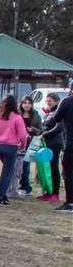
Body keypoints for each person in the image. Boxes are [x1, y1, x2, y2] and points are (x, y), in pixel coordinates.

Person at [0, 94, 27, 207]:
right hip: (11, 146)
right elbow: (23, 135)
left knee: (7, 171)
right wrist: (23, 146)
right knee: (7, 173)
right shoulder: (17, 117)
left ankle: (3, 196)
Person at [15, 95, 43, 197]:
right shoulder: (17, 114)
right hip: (17, 142)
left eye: (29, 103)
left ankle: (25, 187)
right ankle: (16, 185)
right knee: (16, 165)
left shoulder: (35, 115)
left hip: (30, 143)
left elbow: (40, 130)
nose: (27, 105)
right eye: (25, 103)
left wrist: (33, 130)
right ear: (21, 104)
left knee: (25, 165)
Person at [40, 92, 64, 202]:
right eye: (47, 100)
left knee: (53, 168)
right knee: (45, 169)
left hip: (55, 143)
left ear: (57, 101)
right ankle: (47, 191)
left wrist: (45, 134)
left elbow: (59, 128)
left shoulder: (58, 112)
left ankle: (55, 193)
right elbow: (44, 126)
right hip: (46, 143)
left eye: (50, 101)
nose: (48, 102)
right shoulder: (48, 112)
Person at [53, 81, 73, 214]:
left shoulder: (66, 102)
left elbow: (56, 118)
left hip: (71, 143)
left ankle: (70, 202)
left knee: (69, 173)